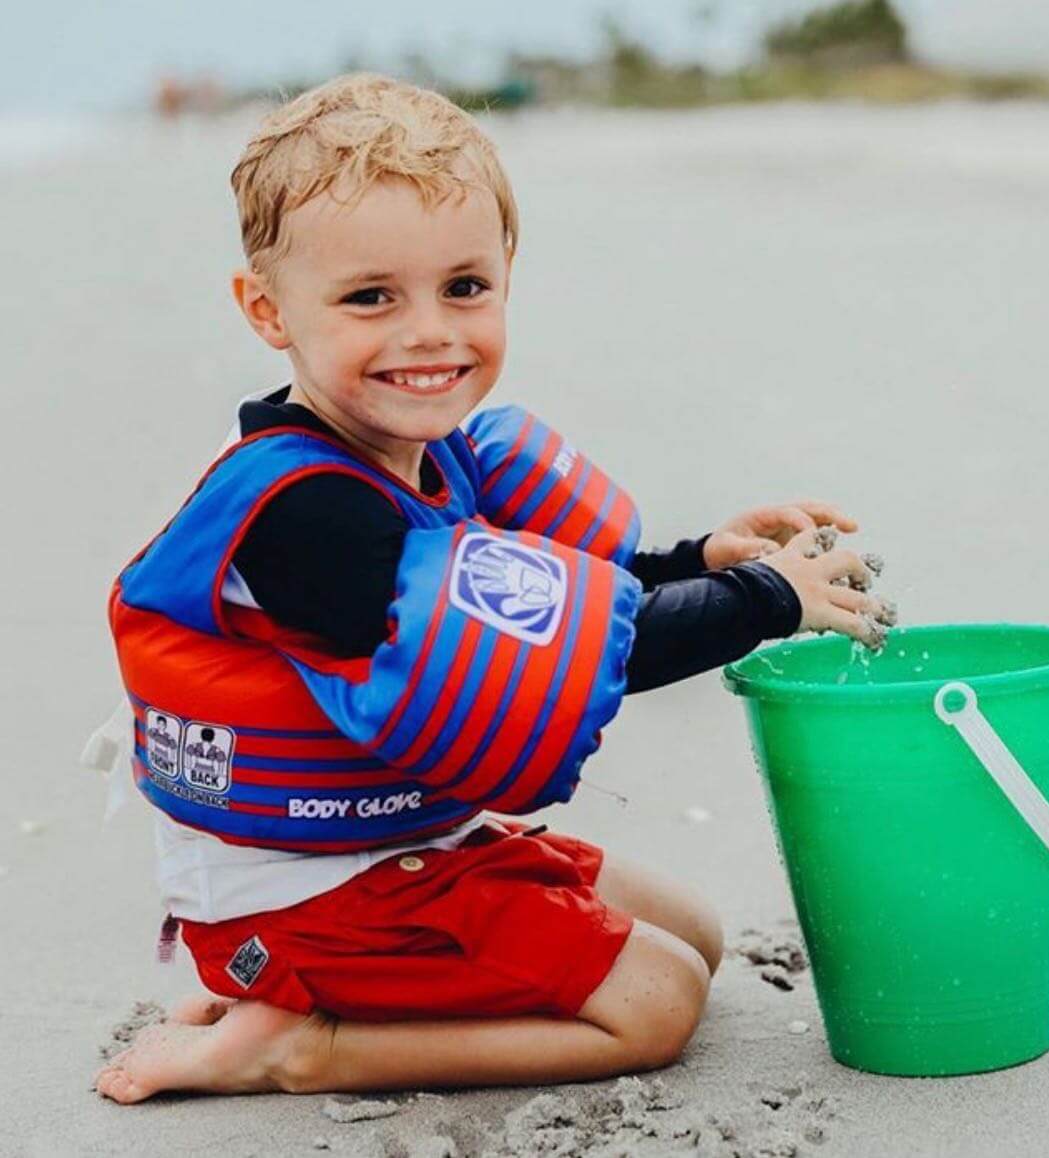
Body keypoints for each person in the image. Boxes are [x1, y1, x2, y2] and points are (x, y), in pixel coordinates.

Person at [94, 73, 889, 1104]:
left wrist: (701, 562)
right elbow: (557, 662)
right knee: (657, 1001)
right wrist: (766, 605)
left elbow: (570, 598)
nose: (429, 332)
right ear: (267, 311)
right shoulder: (305, 517)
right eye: (370, 296)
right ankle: (294, 1044)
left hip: (407, 837)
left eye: (462, 287)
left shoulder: (435, 455)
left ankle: (309, 994)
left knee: (695, 931)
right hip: (308, 887)